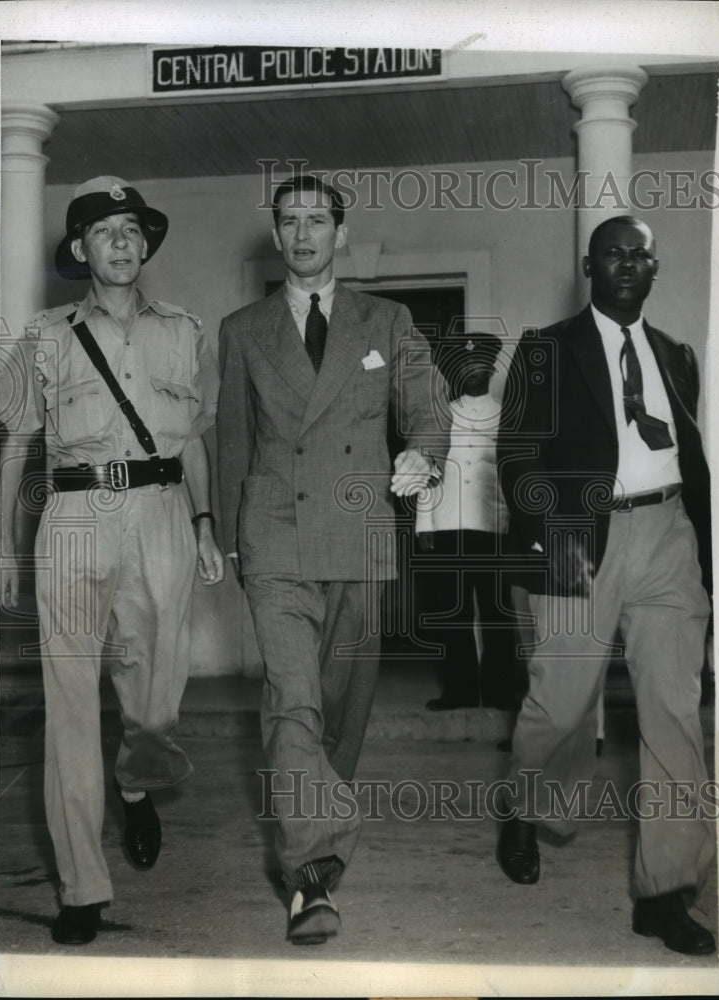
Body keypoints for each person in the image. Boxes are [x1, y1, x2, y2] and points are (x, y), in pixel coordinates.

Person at [217, 174, 448, 945]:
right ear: (276, 236)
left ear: (340, 234)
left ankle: (320, 806)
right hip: (276, 532)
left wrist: (422, 452)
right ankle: (309, 875)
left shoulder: (388, 317)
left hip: (357, 531)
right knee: (292, 701)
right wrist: (226, 539)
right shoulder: (243, 328)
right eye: (289, 220)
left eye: (318, 219)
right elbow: (233, 440)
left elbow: (426, 405)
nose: (304, 232)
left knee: (341, 710)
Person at [0, 176, 225, 946]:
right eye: (105, 231)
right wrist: (0, 548)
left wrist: (202, 523)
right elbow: (17, 446)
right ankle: (80, 887)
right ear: (79, 250)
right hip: (71, 520)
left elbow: (193, 438)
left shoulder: (184, 329)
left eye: (133, 229)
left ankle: (137, 777)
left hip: (161, 516)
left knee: (155, 702)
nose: (123, 242)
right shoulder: (43, 337)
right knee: (67, 713)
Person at [495, 216, 716, 956]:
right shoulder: (546, 349)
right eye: (611, 254)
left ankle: (664, 892)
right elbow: (519, 452)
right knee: (558, 703)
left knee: (674, 716)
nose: (625, 264)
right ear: (589, 267)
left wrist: (710, 559)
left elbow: (692, 453)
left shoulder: (675, 355)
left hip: (668, 535)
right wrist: (542, 532)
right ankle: (525, 806)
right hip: (574, 534)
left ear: (654, 269)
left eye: (639, 255)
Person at [415, 332, 526, 712]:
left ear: (492, 370)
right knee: (451, 609)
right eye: (466, 367)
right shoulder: (438, 412)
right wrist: (424, 524)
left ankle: (500, 691)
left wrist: (515, 526)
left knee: (497, 611)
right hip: (447, 525)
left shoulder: (507, 414)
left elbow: (513, 475)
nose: (474, 373)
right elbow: (428, 470)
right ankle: (459, 691)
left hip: (492, 526)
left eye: (480, 366)